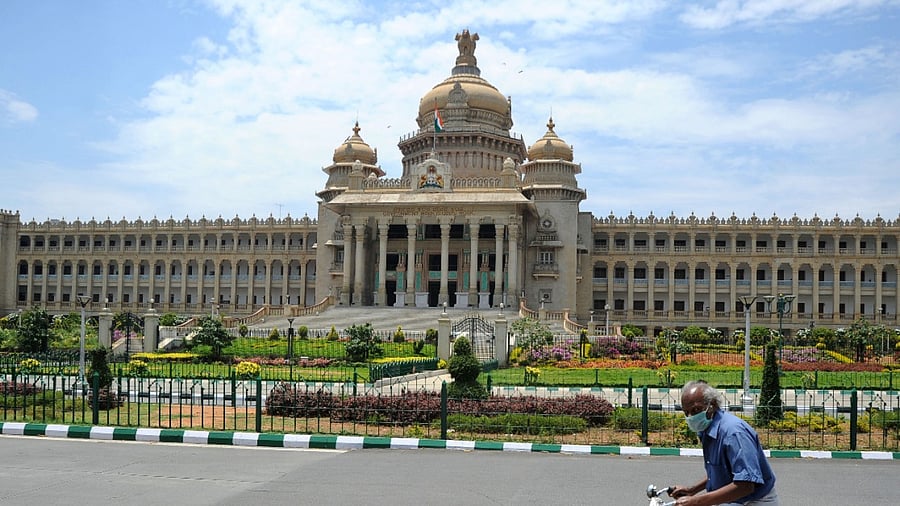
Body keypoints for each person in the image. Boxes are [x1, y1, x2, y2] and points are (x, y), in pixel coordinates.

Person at [671, 380, 778, 505]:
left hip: (756, 500)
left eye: (696, 410)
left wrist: (696, 501)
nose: (691, 417)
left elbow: (745, 485)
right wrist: (692, 490)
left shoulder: (734, 434)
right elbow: (722, 472)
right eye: (686, 412)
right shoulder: (707, 429)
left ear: (713, 405)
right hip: (736, 499)